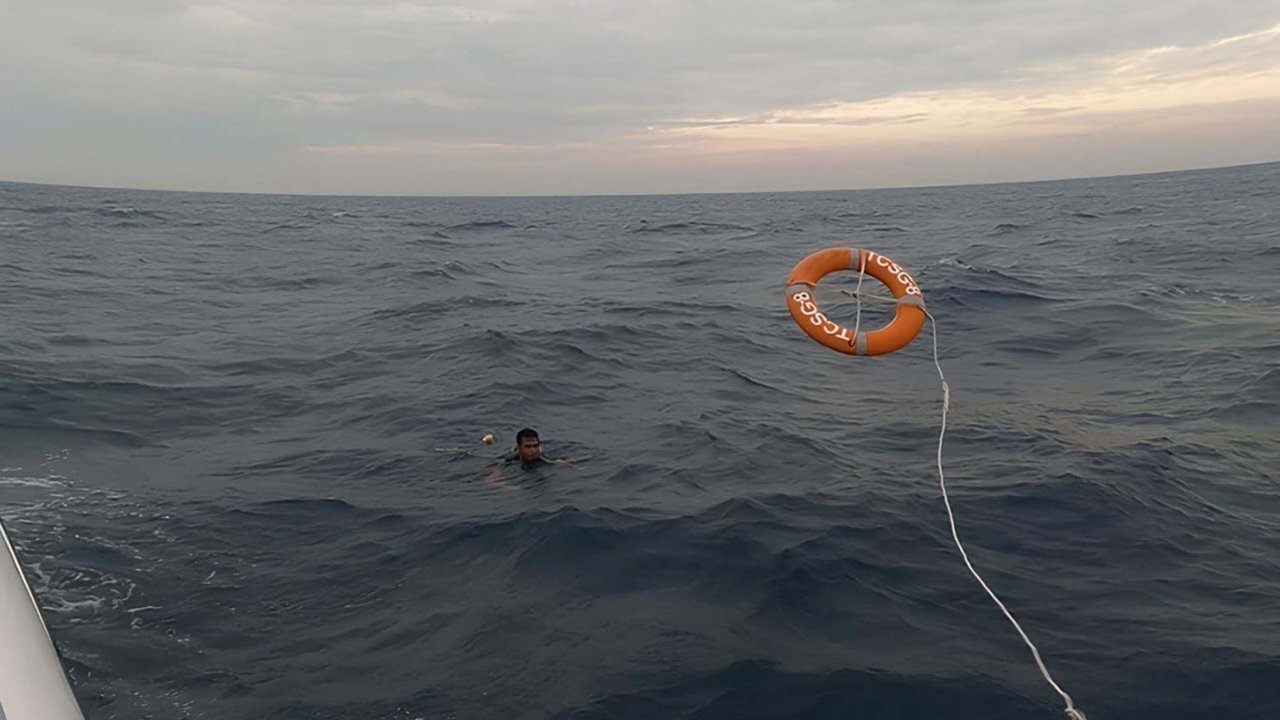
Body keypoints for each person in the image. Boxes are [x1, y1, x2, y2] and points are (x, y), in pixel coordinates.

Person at [487, 428, 572, 485]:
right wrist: (510, 488)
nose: (532, 450)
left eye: (535, 446)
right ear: (519, 448)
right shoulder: (510, 461)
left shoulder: (544, 458)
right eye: (528, 447)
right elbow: (493, 480)